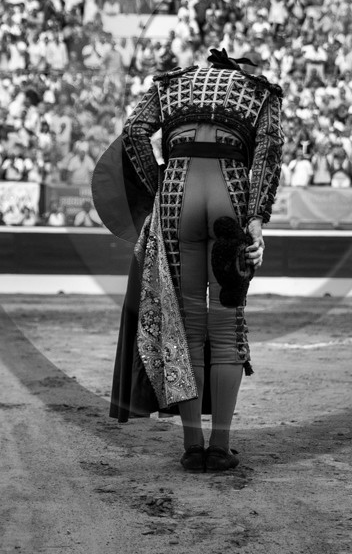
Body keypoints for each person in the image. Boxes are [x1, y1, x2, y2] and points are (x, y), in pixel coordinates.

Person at [106, 48, 284, 473]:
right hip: (232, 195)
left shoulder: (171, 83)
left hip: (177, 195)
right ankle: (220, 447)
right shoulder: (260, 90)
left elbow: (134, 132)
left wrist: (159, 185)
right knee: (226, 323)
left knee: (185, 323)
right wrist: (257, 217)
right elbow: (268, 150)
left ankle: (191, 446)